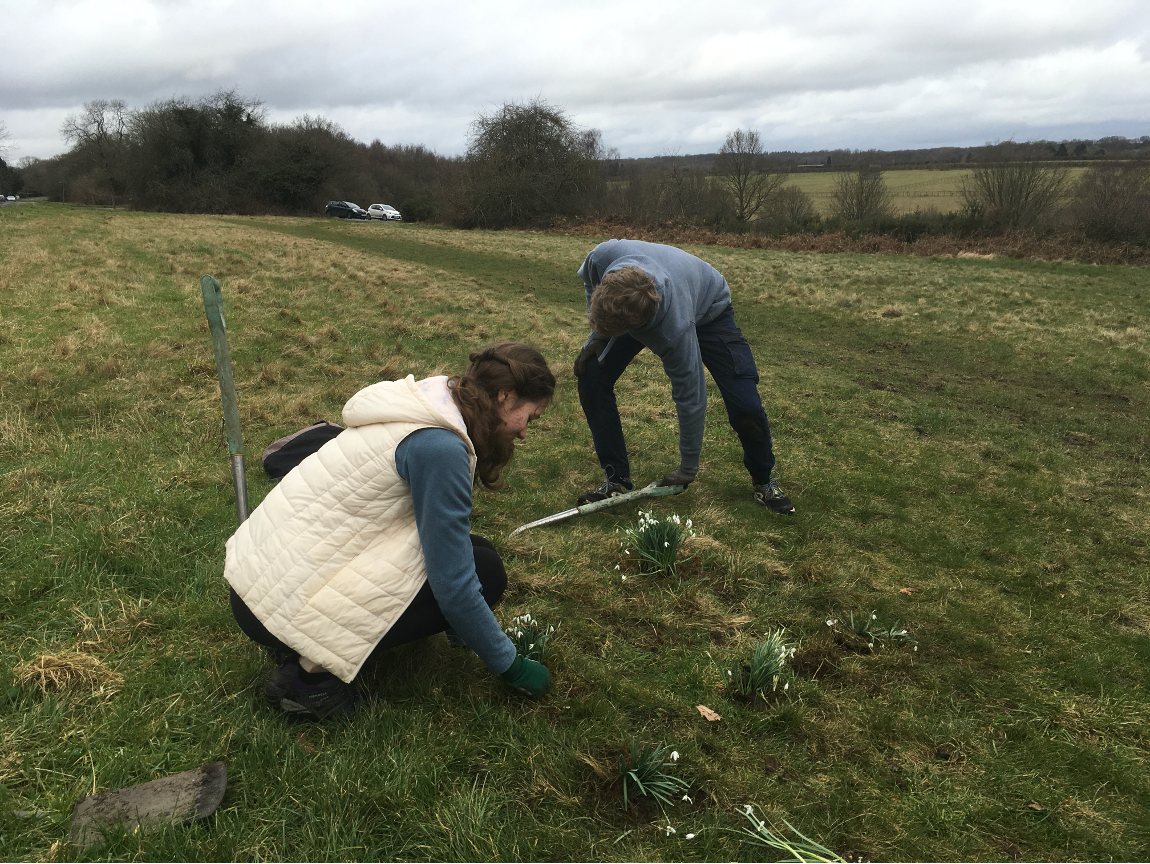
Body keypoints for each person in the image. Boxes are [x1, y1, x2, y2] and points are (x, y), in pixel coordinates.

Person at [225, 343, 556, 721]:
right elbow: (454, 587)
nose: (526, 432)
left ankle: (297, 638)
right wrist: (511, 665)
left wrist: (459, 625)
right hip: (275, 603)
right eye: (530, 416)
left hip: (261, 580)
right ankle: (306, 679)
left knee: (481, 556)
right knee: (486, 577)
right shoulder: (440, 447)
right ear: (506, 397)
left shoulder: (427, 403)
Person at [573, 239, 794, 513]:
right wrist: (597, 335)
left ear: (639, 326)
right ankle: (616, 477)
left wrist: (687, 467)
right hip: (650, 297)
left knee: (745, 405)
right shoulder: (603, 257)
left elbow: (691, 396)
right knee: (591, 373)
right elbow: (589, 280)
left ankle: (763, 480)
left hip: (710, 309)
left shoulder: (673, 330)